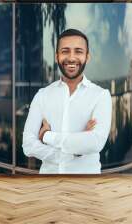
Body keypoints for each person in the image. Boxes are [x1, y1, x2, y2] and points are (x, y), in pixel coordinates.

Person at [22, 28, 112, 174]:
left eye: (78, 51)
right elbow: (28, 145)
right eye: (65, 51)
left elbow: (95, 143)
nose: (71, 58)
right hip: (48, 187)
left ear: (87, 57)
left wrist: (47, 136)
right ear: (57, 56)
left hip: (86, 188)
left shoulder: (101, 96)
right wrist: (75, 151)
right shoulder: (42, 95)